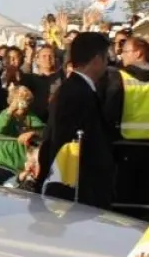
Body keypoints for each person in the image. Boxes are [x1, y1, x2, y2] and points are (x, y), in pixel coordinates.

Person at [34, 31, 115, 209]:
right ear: (96, 60)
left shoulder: (79, 89)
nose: (107, 64)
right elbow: (63, 143)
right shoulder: (76, 93)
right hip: (77, 190)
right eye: (106, 58)